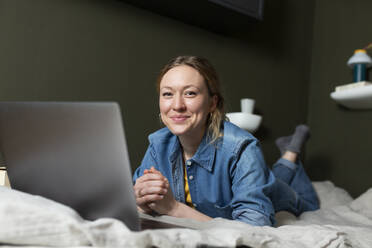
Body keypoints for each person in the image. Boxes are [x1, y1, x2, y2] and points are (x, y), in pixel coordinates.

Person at [132, 55, 319, 226]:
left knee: (305, 202)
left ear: (212, 103)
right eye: (167, 94)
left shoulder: (242, 148)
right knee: (273, 177)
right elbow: (136, 202)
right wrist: (142, 201)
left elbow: (255, 227)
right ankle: (288, 152)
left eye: (190, 93)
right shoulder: (158, 144)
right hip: (259, 176)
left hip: (280, 195)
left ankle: (292, 152)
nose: (177, 105)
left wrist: (174, 208)